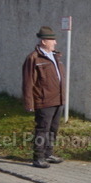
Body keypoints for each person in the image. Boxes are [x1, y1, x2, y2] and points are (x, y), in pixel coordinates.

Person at [22, 26, 66, 169]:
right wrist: (29, 103)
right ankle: (38, 157)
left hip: (57, 100)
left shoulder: (55, 56)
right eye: (52, 40)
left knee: (53, 129)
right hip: (44, 100)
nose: (55, 42)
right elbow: (28, 82)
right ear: (44, 41)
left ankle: (48, 153)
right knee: (42, 129)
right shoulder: (33, 58)